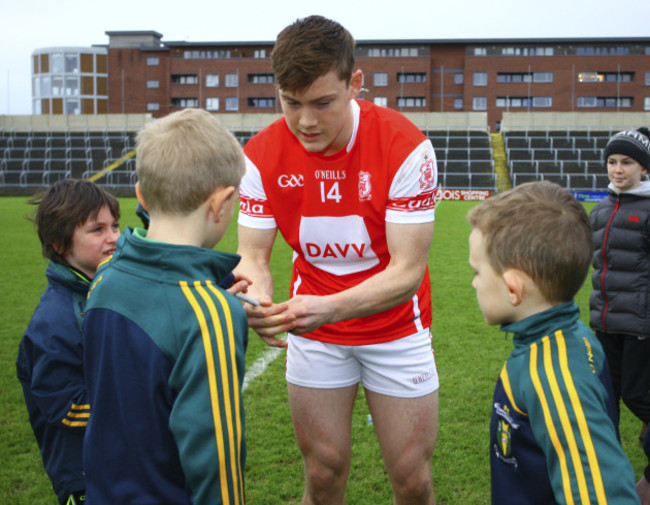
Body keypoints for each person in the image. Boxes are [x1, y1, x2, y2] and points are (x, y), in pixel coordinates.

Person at [236, 15, 439, 505]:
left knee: (411, 480)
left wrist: (326, 307)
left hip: (395, 331)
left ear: (355, 84)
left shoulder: (406, 147)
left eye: (323, 103)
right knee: (323, 474)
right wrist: (258, 300)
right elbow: (253, 259)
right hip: (315, 335)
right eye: (292, 103)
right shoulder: (260, 155)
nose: (306, 121)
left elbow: (406, 273)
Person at [82, 108, 249, 505]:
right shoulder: (211, 315)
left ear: (140, 194)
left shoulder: (104, 278)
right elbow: (217, 462)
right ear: (221, 203)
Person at [467, 181, 641, 504]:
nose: (474, 282)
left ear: (513, 289)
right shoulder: (567, 335)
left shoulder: (553, 374)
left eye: (477, 271)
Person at [16, 179, 121, 505]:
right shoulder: (55, 321)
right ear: (61, 244)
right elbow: (66, 407)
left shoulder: (103, 291)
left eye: (115, 225)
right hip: (86, 477)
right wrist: (134, 405)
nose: (113, 237)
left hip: (119, 462)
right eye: (97, 230)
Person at [589, 126, 650, 504]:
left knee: (638, 396)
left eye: (627, 161)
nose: (617, 168)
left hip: (642, 326)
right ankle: (606, 474)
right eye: (612, 161)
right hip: (605, 323)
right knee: (605, 398)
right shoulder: (601, 209)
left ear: (644, 168)